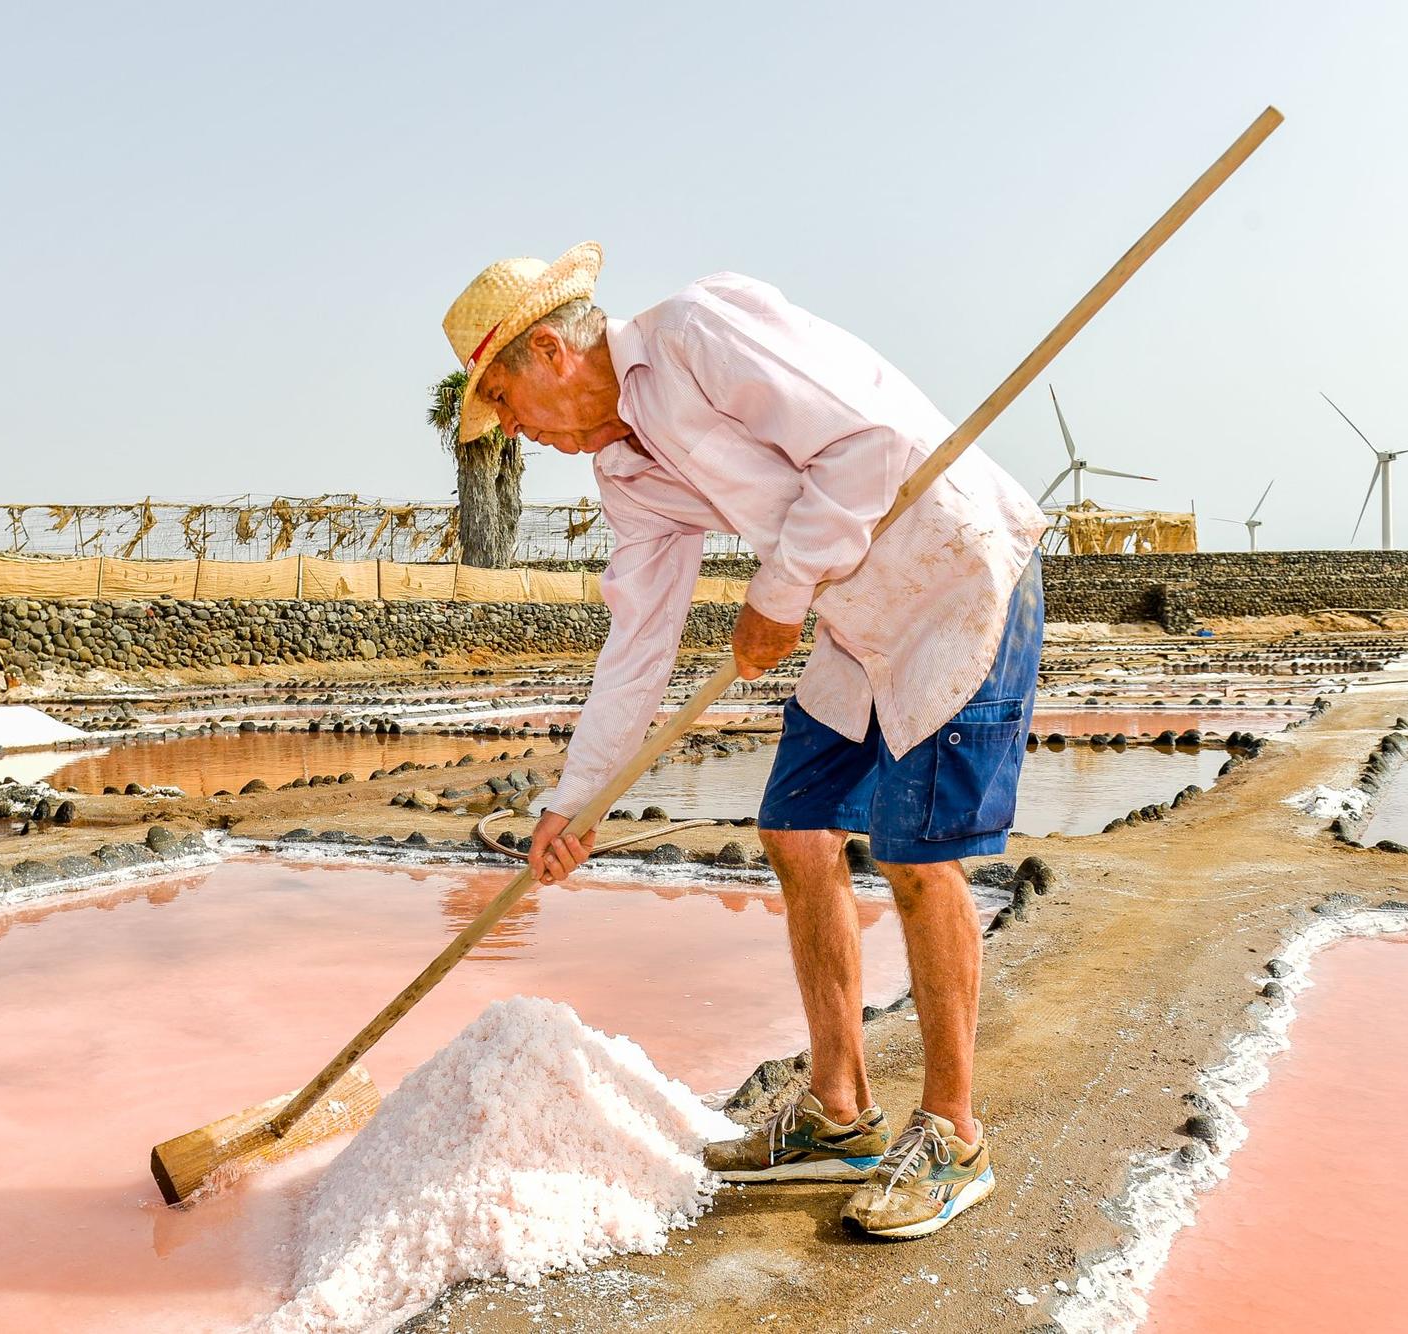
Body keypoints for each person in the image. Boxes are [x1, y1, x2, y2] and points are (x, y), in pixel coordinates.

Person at [440, 242, 1047, 1240]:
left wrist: (775, 592)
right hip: (854, 617)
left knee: (917, 856)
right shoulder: (626, 469)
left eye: (503, 401)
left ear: (550, 351)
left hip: (952, 576)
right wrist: (574, 800)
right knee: (794, 825)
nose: (509, 428)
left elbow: (866, 448)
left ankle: (950, 1132)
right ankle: (838, 1111)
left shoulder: (697, 332)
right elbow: (636, 642)